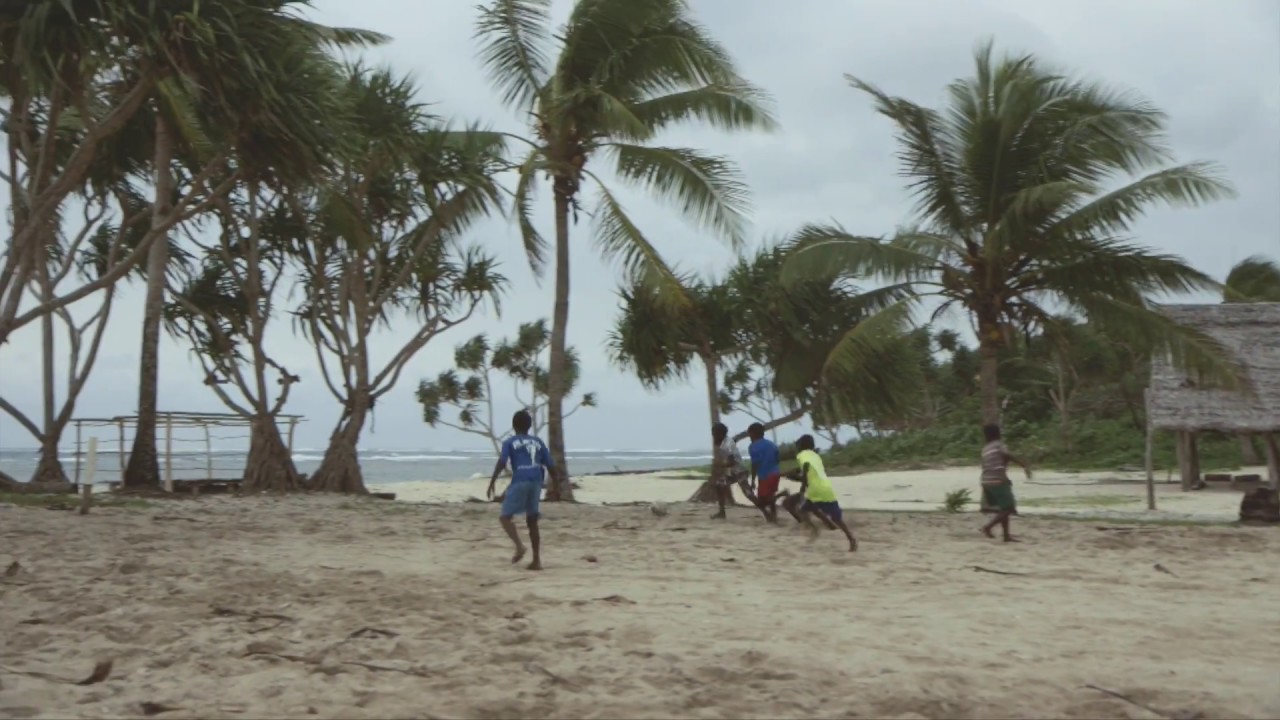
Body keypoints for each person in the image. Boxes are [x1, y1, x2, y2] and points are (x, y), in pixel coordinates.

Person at [486, 410, 554, 570]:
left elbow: (502, 461)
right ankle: (536, 560)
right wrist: (556, 485)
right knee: (532, 521)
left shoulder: (510, 442)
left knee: (505, 517)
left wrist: (492, 481)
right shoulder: (538, 441)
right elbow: (550, 465)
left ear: (513, 426)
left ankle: (519, 546)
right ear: (529, 426)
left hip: (520, 480)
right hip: (536, 480)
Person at [784, 434, 857, 551]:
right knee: (836, 519)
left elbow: (806, 470)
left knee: (801, 510)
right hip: (827, 488)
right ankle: (850, 538)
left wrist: (801, 487)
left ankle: (814, 529)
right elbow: (810, 472)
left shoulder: (802, 455)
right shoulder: (816, 456)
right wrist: (796, 476)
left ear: (801, 446)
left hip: (814, 490)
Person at [979, 424, 1030, 543]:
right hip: (997, 480)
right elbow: (1007, 455)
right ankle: (988, 527)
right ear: (998, 433)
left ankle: (1006, 536)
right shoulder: (999, 445)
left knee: (1003, 508)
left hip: (986, 480)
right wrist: (1023, 465)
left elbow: (996, 462)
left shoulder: (986, 448)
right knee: (1009, 509)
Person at [710, 422, 764, 520]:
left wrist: (720, 465)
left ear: (720, 434)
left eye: (714, 434)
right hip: (733, 472)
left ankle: (767, 512)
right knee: (719, 485)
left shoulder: (727, 444)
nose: (713, 436)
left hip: (739, 472)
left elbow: (732, 462)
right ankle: (722, 512)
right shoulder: (725, 442)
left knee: (748, 494)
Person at [747, 423, 786, 523]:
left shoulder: (753, 447)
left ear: (753, 434)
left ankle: (782, 494)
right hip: (775, 473)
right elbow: (778, 459)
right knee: (769, 496)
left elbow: (754, 464)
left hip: (765, 476)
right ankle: (773, 517)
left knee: (762, 501)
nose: (749, 437)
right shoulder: (771, 444)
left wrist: (752, 480)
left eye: (749, 434)